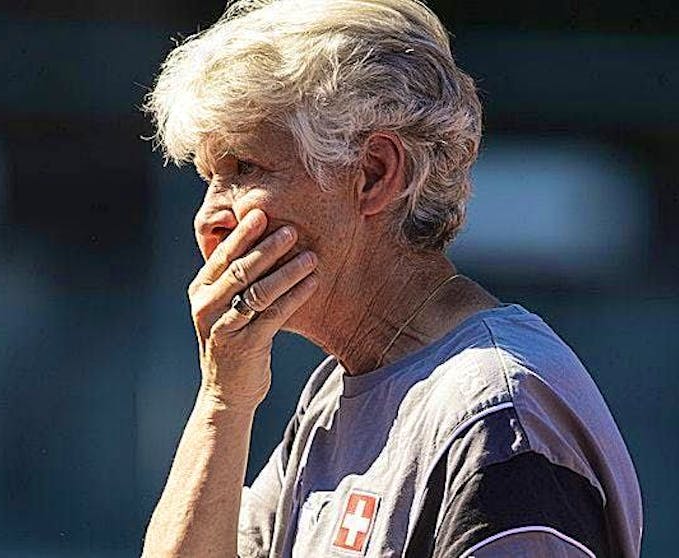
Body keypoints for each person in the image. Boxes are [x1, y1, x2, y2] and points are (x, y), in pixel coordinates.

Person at [140, 0, 643, 556]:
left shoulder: (500, 413)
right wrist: (223, 400)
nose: (209, 218)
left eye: (244, 170)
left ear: (376, 174)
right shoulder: (332, 400)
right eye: (210, 178)